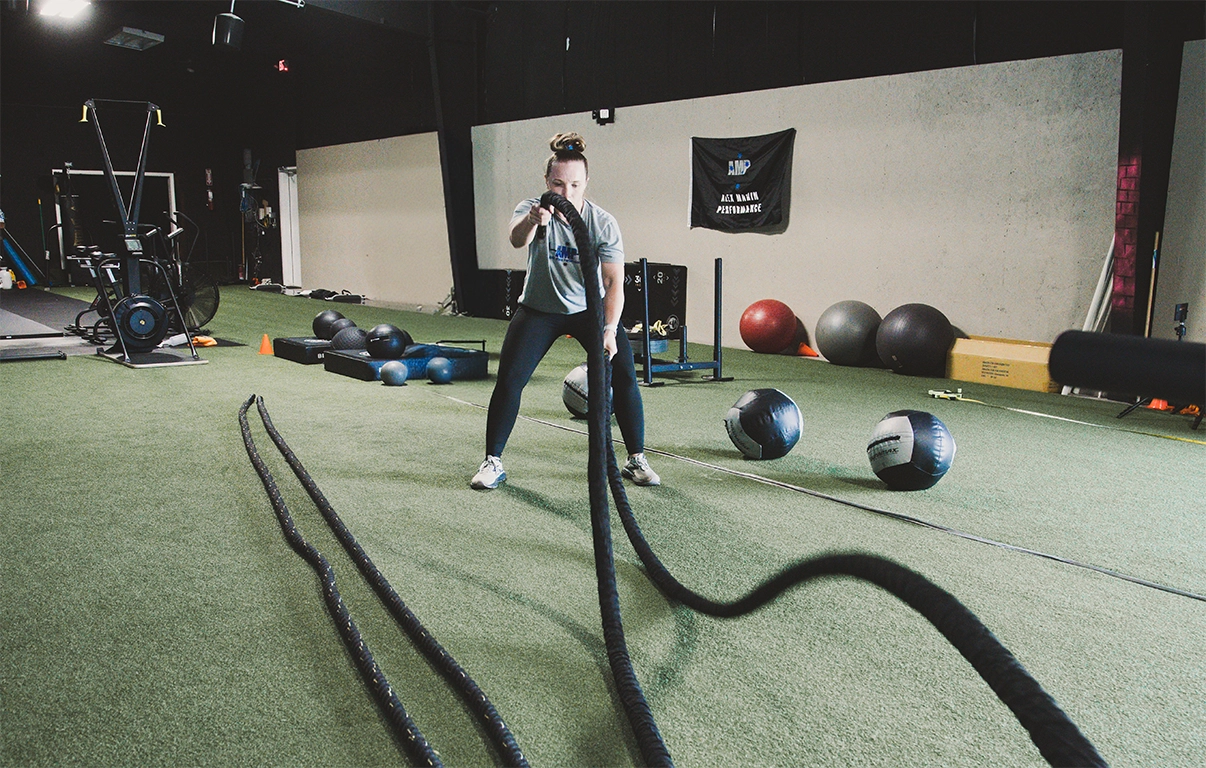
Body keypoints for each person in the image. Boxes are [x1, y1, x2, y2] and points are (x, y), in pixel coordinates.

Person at [471, 132, 659, 490]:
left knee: (624, 377)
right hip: (539, 310)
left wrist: (609, 328)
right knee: (510, 380)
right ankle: (492, 461)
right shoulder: (533, 209)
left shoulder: (603, 223)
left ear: (586, 183)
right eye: (558, 184)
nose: (566, 193)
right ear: (546, 182)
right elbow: (515, 239)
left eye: (574, 184)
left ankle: (636, 459)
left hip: (590, 311)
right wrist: (532, 221)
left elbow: (614, 281)